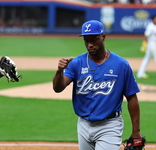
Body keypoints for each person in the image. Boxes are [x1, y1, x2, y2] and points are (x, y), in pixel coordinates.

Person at [53, 20, 142, 150]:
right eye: (86, 40)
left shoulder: (121, 65)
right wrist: (59, 72)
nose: (90, 44)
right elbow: (58, 88)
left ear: (103, 37)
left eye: (94, 39)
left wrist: (136, 131)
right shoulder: (76, 63)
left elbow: (132, 98)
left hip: (110, 125)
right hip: (83, 124)